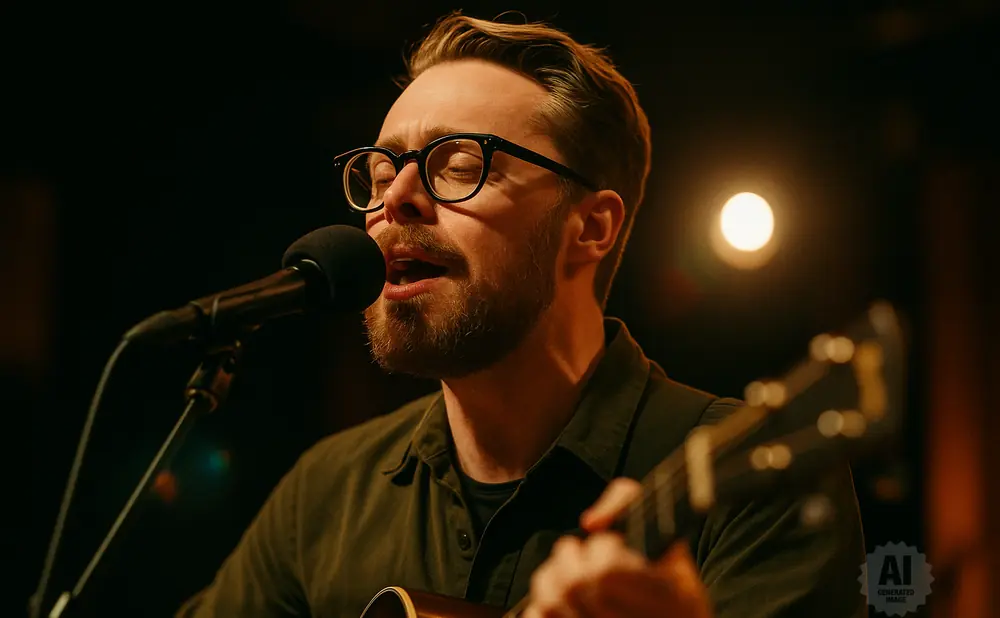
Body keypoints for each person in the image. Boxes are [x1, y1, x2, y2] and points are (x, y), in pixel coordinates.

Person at [178, 12, 866, 618]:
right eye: (382, 171)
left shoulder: (758, 483)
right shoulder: (326, 493)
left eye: (457, 164)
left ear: (590, 227)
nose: (396, 200)